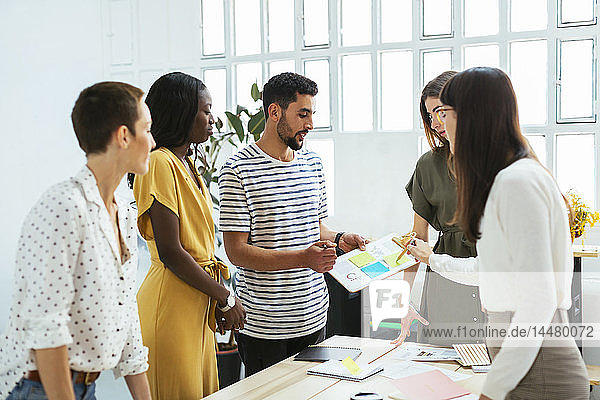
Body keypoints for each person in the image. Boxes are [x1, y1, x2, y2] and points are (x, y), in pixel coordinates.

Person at [407, 67, 589, 400]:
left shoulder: (517, 181)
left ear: (473, 116)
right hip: (523, 370)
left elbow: (539, 298)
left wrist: (493, 389)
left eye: (444, 113)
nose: (440, 126)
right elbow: (489, 272)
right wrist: (433, 258)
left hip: (540, 376)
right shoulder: (508, 178)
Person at [0, 82, 153, 400]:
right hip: (38, 390)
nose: (152, 142)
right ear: (124, 136)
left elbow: (127, 314)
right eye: (147, 129)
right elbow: (47, 327)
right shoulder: (63, 206)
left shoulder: (123, 211)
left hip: (85, 387)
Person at [218, 72, 368, 376]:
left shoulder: (313, 164)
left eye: (312, 113)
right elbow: (236, 251)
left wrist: (340, 238)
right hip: (264, 327)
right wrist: (302, 258)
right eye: (302, 114)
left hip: (314, 317)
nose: (310, 123)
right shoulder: (237, 169)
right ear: (275, 112)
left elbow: (315, 227)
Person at [131, 72, 246, 399]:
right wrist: (225, 297)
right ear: (182, 113)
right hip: (171, 304)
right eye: (206, 110)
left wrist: (214, 300)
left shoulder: (187, 164)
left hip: (195, 301)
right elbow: (171, 252)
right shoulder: (159, 163)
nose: (213, 119)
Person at [392, 71, 485, 347]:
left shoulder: (493, 159)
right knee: (443, 366)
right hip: (444, 277)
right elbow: (417, 239)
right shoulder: (427, 166)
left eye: (439, 112)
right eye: (429, 115)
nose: (434, 123)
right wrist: (402, 300)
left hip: (488, 271)